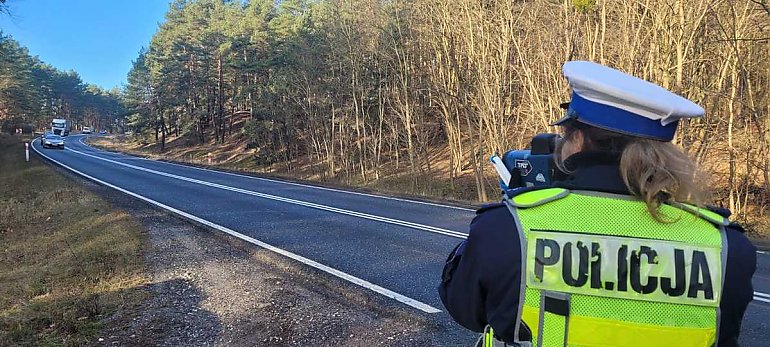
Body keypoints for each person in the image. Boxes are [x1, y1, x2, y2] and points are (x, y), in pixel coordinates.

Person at [439, 61, 756, 347]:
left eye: (565, 133)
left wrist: (516, 206)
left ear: (576, 140)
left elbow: (464, 306)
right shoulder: (726, 247)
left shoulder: (510, 228)